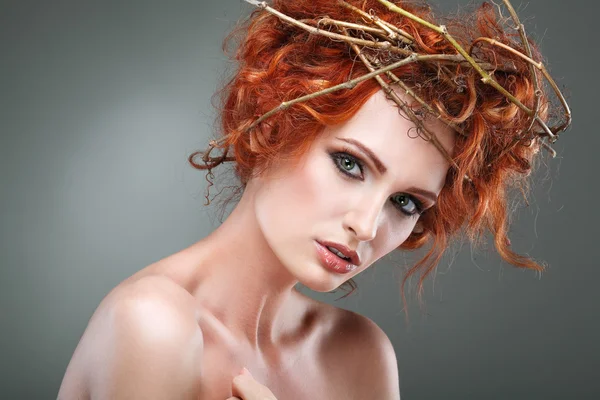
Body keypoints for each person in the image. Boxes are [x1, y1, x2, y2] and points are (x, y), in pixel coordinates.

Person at [57, 0, 570, 399]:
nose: (367, 225)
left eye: (406, 203)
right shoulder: (154, 326)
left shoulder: (359, 357)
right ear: (279, 124)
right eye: (350, 163)